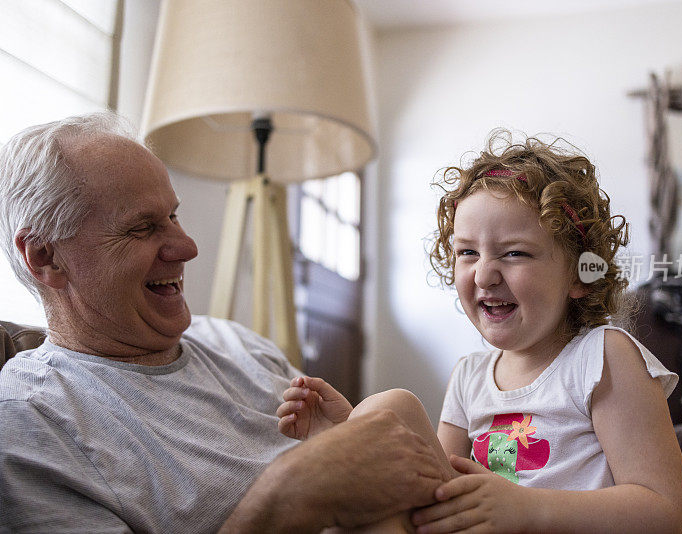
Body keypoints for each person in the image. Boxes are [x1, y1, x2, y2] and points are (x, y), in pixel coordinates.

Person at [0, 112, 451, 533]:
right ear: (45, 256)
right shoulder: (34, 418)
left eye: (173, 216)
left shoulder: (235, 343)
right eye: (142, 227)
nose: (187, 247)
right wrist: (289, 494)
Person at [280, 130, 682, 532]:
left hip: (550, 524)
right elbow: (426, 487)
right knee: (390, 410)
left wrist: (527, 509)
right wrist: (351, 435)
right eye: (468, 253)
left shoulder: (602, 357)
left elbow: (663, 507)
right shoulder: (470, 376)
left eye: (514, 253)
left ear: (581, 274)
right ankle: (340, 453)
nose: (484, 274)